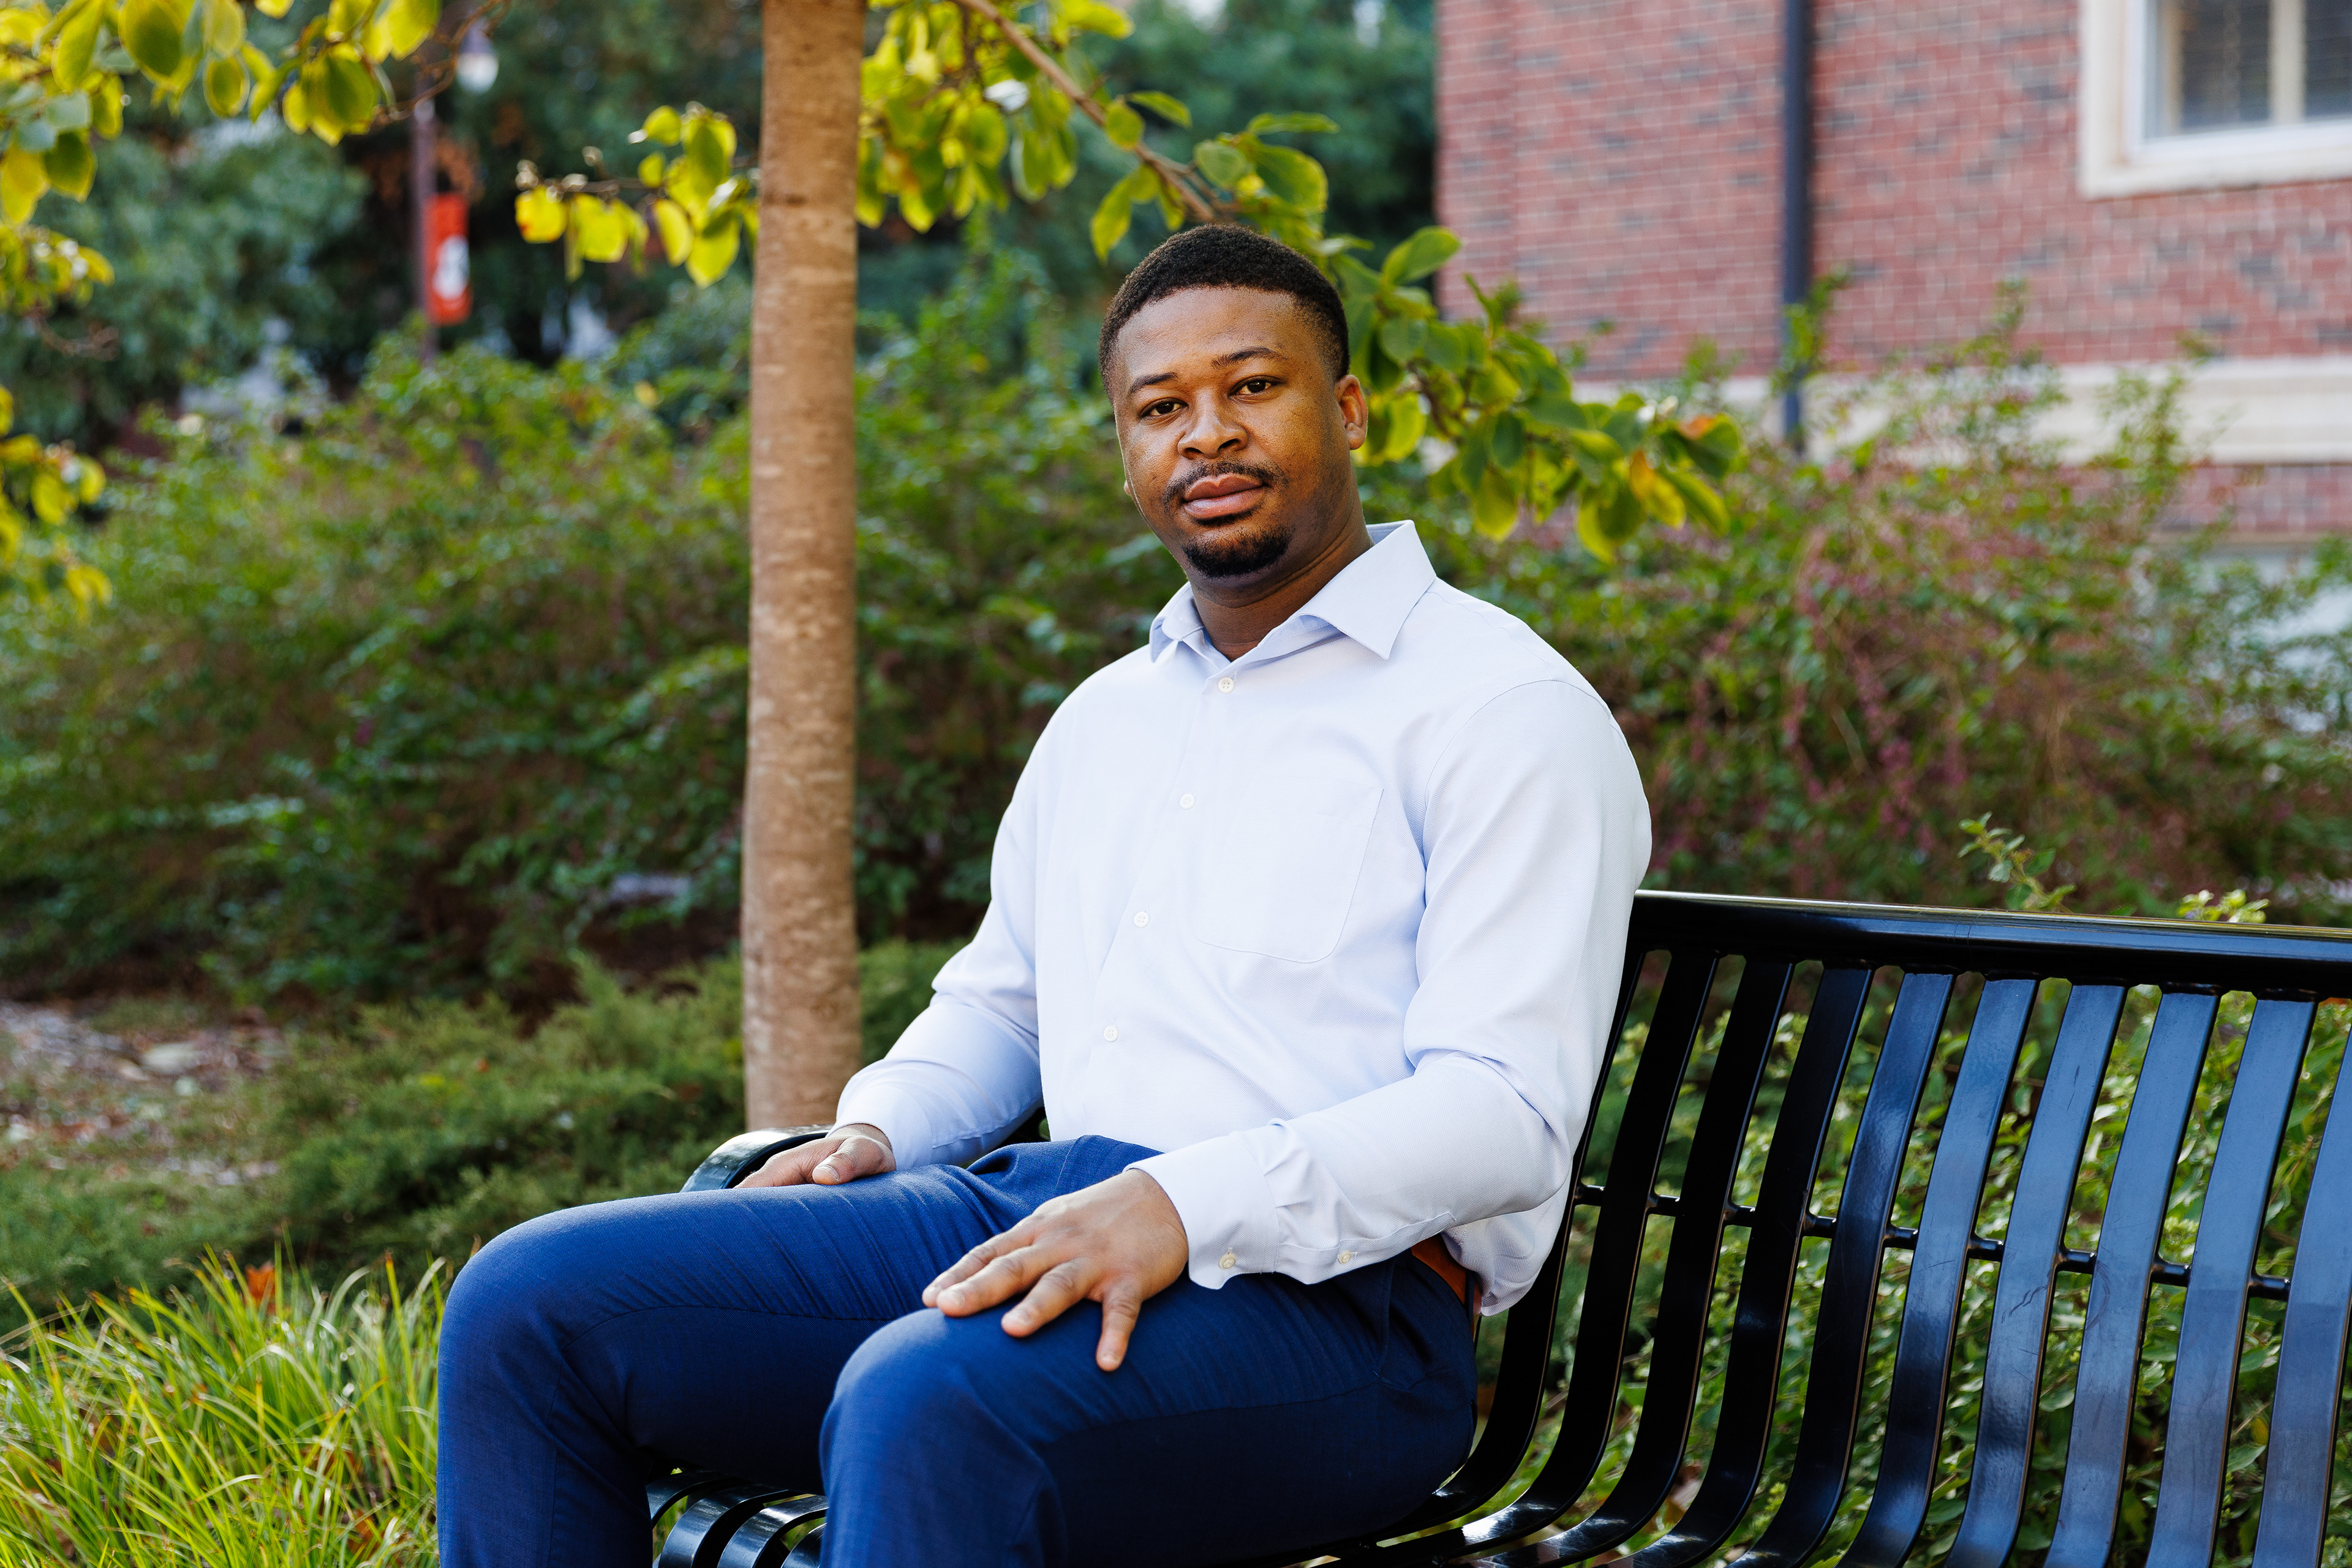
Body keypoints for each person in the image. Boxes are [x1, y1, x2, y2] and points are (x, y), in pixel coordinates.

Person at [436, 223, 1650, 1568]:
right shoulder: (1108, 718)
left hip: (1340, 1312)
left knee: (924, 1397)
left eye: (1253, 386)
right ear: (1126, 452)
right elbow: (1002, 1002)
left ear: (1350, 409)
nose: (1207, 433)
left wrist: (1182, 1204)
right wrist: (878, 1128)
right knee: (527, 1306)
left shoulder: (1501, 709)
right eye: (1160, 407)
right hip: (1046, 1213)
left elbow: (1504, 1113)